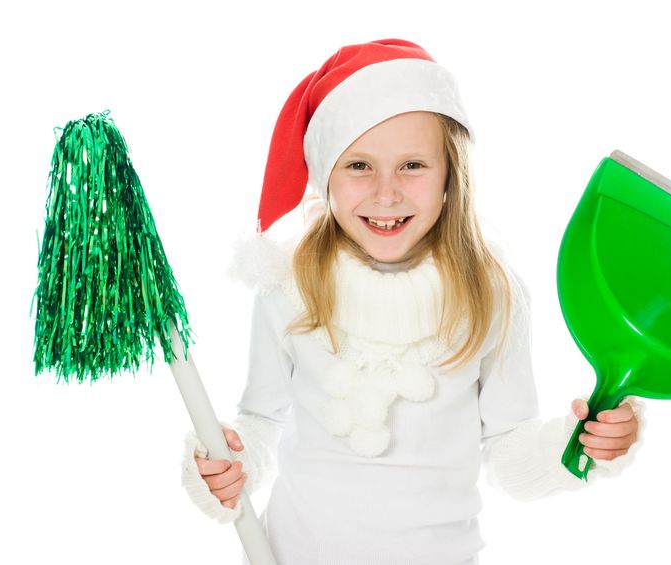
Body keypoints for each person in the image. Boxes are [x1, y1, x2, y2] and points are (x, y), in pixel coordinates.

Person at [180, 38, 644, 565]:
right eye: (358, 166)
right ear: (324, 172)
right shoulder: (289, 287)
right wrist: (224, 464)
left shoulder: (494, 295)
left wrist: (577, 446)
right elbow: (261, 422)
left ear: (451, 173)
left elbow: (511, 457)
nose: (385, 193)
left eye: (413, 165)